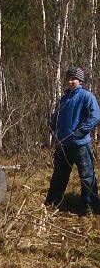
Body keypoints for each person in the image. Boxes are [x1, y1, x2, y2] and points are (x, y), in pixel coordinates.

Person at [45, 66, 100, 216]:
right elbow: (55, 118)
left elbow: (95, 116)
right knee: (59, 176)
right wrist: (53, 130)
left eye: (73, 79)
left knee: (87, 176)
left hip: (80, 145)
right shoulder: (63, 99)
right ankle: (51, 204)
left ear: (80, 81)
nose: (70, 81)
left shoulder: (87, 96)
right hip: (62, 146)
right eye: (68, 79)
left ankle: (89, 206)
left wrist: (79, 132)